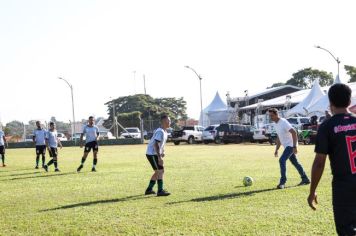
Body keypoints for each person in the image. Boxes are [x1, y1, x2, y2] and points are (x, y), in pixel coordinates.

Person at [308, 83, 356, 236]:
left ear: (330, 102)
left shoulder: (327, 126)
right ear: (349, 102)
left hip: (344, 186)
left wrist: (312, 190)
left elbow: (319, 163)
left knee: (346, 229)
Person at [268, 108, 310, 189]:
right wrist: (276, 149)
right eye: (270, 116)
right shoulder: (276, 124)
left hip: (291, 145)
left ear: (277, 114)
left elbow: (294, 132)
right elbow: (279, 137)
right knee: (295, 163)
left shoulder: (283, 122)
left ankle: (282, 182)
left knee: (282, 160)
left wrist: (294, 146)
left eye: (272, 115)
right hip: (287, 146)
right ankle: (305, 179)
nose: (271, 117)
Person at [145, 114, 171, 197]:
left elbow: (160, 144)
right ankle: (160, 190)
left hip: (155, 154)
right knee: (160, 171)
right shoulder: (160, 131)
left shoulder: (165, 131)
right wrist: (159, 157)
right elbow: (156, 144)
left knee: (158, 172)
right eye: (168, 121)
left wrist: (162, 151)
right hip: (152, 154)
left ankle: (149, 189)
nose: (170, 122)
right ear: (164, 122)